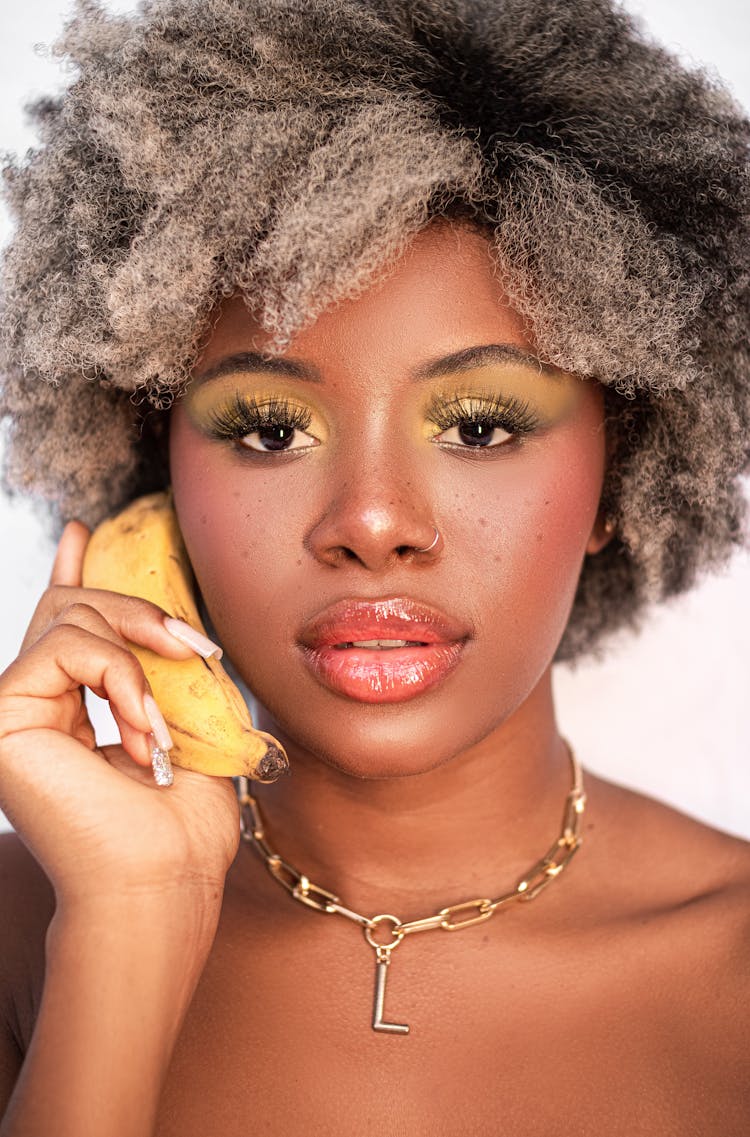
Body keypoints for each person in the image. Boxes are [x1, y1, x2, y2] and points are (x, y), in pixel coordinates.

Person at [0, 0, 748, 1133]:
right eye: (266, 429)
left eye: (484, 426)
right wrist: (130, 922)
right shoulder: (26, 933)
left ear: (621, 474)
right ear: (154, 483)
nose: (373, 521)